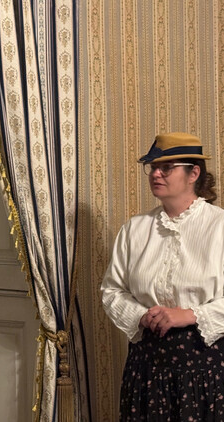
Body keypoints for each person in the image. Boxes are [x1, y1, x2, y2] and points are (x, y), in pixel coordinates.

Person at [101, 132, 224, 420]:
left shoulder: (220, 227)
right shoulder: (135, 229)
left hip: (205, 368)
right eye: (153, 167)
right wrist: (142, 316)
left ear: (194, 173)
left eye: (167, 167)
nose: (156, 174)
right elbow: (112, 290)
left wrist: (190, 315)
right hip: (145, 368)